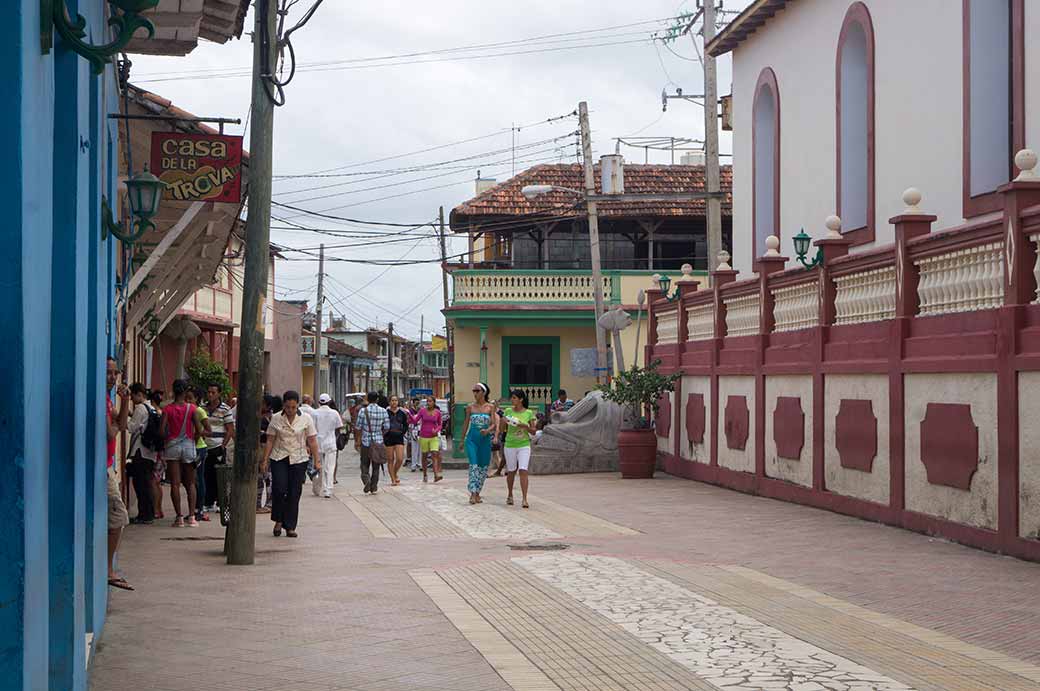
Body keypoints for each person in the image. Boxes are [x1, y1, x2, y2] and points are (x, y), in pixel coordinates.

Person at [261, 390, 320, 538]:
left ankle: (290, 526)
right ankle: (278, 520)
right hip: (279, 457)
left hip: (299, 459)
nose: (290, 411)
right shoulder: (276, 419)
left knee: (294, 492)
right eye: (287, 407)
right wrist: (264, 460)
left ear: (298, 406)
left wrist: (317, 460)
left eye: (293, 407)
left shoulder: (306, 419)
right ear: (284, 406)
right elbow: (270, 440)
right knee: (279, 489)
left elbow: (312, 440)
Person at [160, 379, 208, 527]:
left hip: (172, 446)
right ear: (186, 391)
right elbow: (200, 430)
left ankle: (179, 517)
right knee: (191, 483)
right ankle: (192, 517)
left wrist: (167, 439)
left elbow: (161, 431)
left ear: (173, 391)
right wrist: (195, 437)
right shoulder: (192, 409)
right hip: (188, 445)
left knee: (175, 483)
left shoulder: (167, 409)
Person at [105, 358, 132, 590]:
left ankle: (108, 567)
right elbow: (110, 433)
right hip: (104, 469)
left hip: (109, 466)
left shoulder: (107, 399)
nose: (112, 377)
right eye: (108, 373)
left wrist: (125, 402)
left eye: (115, 373)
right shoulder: (100, 400)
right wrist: (114, 423)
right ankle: (108, 569)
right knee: (118, 517)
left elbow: (121, 425)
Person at [460, 383, 497, 505]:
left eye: (477, 390)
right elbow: (465, 424)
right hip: (472, 440)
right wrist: (462, 440)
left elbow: (494, 424)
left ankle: (478, 492)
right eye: (473, 391)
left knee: (483, 467)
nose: (475, 393)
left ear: (484, 392)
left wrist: (488, 430)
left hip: (484, 441)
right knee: (474, 465)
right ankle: (472, 493)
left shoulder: (490, 407)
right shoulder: (470, 407)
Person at [126, 382, 158, 524]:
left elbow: (132, 428)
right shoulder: (151, 408)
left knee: (140, 485)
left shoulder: (140, 408)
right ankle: (148, 513)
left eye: (133, 396)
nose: (132, 400)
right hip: (149, 452)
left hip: (139, 451)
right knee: (147, 483)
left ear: (139, 394)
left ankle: (144, 515)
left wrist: (119, 417)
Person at [202, 383, 235, 512]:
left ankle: (221, 503)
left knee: (219, 477)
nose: (210, 395)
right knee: (206, 475)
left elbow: (230, 429)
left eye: (213, 392)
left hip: (218, 446)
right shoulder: (202, 408)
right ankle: (208, 501)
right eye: (209, 392)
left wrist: (223, 445)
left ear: (219, 394)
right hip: (205, 446)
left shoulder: (225, 409)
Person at [503, 389, 537, 509]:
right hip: (510, 444)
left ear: (521, 399)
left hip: (524, 444)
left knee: (523, 469)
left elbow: (534, 431)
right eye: (511, 398)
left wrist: (525, 426)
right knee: (511, 470)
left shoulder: (529, 413)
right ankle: (510, 494)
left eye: (514, 398)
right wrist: (504, 422)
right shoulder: (507, 411)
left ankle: (524, 498)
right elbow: (503, 428)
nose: (512, 400)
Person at [354, 391, 389, 494]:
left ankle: (366, 480)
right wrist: (379, 434)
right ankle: (374, 485)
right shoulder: (383, 411)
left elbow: (358, 427)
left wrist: (357, 441)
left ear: (368, 399)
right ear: (377, 399)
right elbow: (387, 427)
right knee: (376, 465)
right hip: (378, 441)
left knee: (364, 464)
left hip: (366, 441)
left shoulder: (363, 411)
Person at [310, 394, 344, 498]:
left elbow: (312, 429)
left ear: (319, 402)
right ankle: (328, 490)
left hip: (318, 443)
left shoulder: (314, 413)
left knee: (318, 466)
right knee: (330, 467)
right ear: (329, 402)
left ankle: (317, 488)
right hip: (330, 442)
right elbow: (339, 427)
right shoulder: (334, 413)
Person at [411, 396, 444, 483]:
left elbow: (440, 424)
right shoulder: (422, 411)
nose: (429, 403)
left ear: (434, 402)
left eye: (430, 401)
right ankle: (425, 474)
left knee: (435, 454)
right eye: (427, 401)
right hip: (424, 436)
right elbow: (415, 420)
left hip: (434, 436)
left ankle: (436, 474)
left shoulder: (437, 412)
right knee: (424, 456)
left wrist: (436, 430)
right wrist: (409, 415)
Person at [257, 394, 280, 513]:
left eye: (262, 402)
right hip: (261, 450)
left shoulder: (270, 418)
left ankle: (268, 504)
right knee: (261, 478)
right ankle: (259, 504)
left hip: (266, 450)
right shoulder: (263, 416)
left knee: (267, 477)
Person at [147, 389, 165, 519]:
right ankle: (159, 508)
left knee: (153, 482)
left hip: (156, 452)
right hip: (162, 451)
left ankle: (156, 509)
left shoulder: (153, 413)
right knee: (157, 482)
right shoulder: (162, 412)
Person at [384, 395, 409, 485]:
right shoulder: (385, 412)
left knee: (399, 459)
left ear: (398, 402)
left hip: (399, 437)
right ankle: (393, 479)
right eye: (392, 400)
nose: (394, 402)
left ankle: (394, 473)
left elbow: (406, 425)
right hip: (388, 437)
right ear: (389, 402)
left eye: (395, 400)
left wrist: (402, 432)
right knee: (390, 459)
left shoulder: (402, 413)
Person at [407, 398, 422, 472]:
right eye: (416, 403)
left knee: (421, 448)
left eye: (418, 403)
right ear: (413, 403)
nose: (417, 404)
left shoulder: (421, 410)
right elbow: (409, 420)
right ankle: (413, 465)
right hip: (413, 430)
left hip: (421, 429)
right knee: (414, 448)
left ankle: (420, 464)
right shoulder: (410, 411)